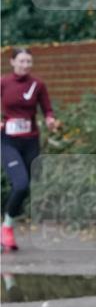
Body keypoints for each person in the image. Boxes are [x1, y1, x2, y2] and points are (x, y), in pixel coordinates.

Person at [1, 48, 58, 251]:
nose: (25, 65)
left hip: (31, 141)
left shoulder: (38, 84)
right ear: (12, 62)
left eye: (29, 62)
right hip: (8, 141)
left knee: (26, 185)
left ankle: (7, 223)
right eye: (22, 61)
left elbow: (47, 108)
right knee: (21, 184)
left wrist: (50, 120)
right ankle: (7, 228)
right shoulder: (4, 82)